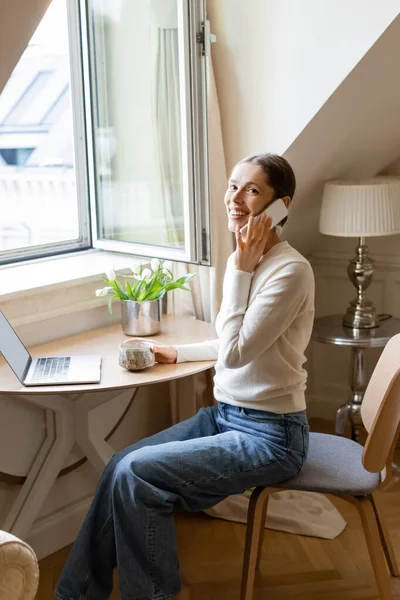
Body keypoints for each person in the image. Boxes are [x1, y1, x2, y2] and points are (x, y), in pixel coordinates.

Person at [55, 153, 315, 600]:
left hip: (272, 436)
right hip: (227, 416)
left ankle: (159, 595)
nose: (235, 199)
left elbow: (235, 352)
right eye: (233, 186)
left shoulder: (289, 272)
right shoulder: (251, 262)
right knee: (120, 463)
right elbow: (240, 341)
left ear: (281, 206)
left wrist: (240, 268)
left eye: (252, 190)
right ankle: (76, 594)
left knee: (137, 474)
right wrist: (177, 352)